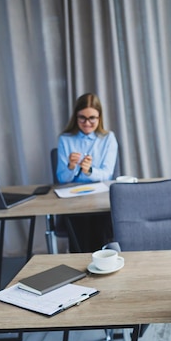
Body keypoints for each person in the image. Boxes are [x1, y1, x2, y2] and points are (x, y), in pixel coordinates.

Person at [56, 92, 118, 252]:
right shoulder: (65, 139)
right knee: (78, 232)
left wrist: (89, 170)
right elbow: (61, 178)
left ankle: (103, 261)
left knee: (101, 225)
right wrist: (71, 166)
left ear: (99, 118)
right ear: (76, 117)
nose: (87, 123)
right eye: (82, 117)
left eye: (92, 118)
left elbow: (107, 174)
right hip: (73, 199)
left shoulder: (108, 138)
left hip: (100, 197)